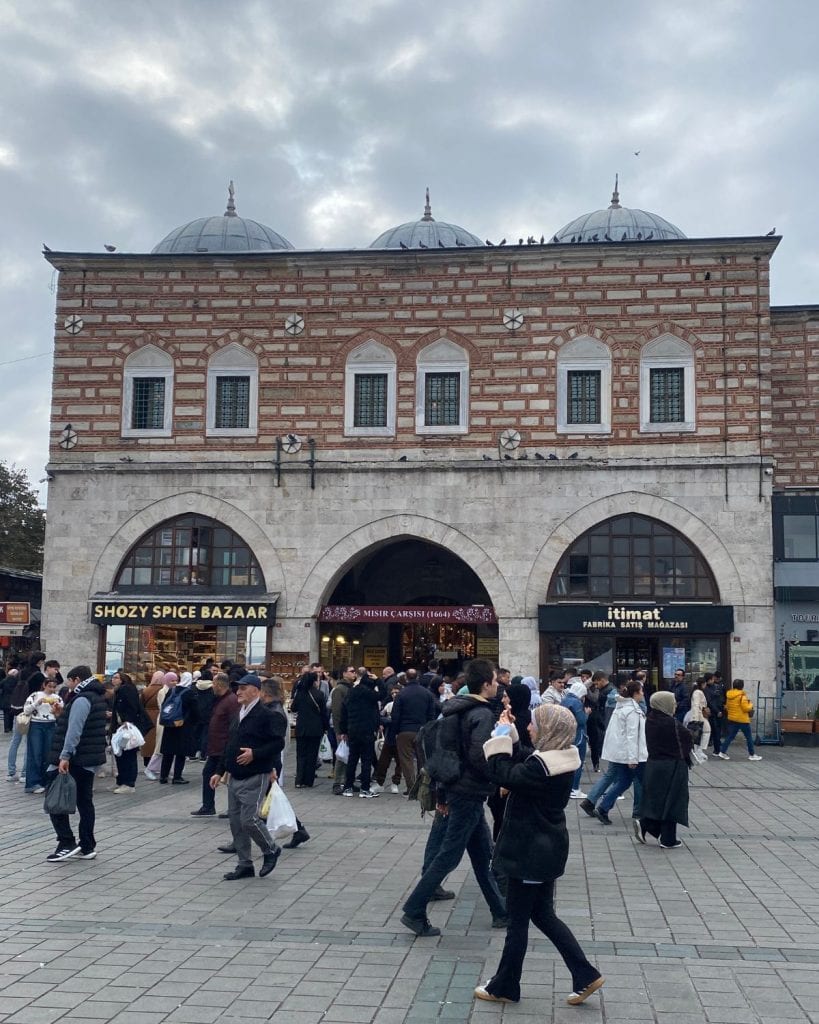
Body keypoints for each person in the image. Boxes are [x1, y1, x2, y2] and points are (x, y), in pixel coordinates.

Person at [475, 703, 604, 1007]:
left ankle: (504, 986)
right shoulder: (557, 760)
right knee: (542, 914)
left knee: (518, 922)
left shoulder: (541, 767)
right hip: (544, 848)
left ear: (549, 730)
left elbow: (501, 772)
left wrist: (502, 735)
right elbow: (524, 764)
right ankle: (584, 974)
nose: (531, 728)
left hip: (530, 851)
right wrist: (513, 735)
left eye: (534, 724)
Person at [400, 658, 507, 938]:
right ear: (486, 685)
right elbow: (478, 755)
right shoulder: (482, 714)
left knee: (483, 855)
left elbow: (450, 751)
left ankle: (500, 911)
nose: (497, 685)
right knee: (449, 856)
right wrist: (499, 773)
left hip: (458, 788)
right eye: (495, 681)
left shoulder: (457, 709)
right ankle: (414, 909)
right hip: (469, 792)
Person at [209, 673, 282, 880]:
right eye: (237, 688)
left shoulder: (267, 714)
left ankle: (271, 849)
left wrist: (255, 754)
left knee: (249, 819)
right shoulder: (238, 714)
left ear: (256, 691)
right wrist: (219, 771)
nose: (238, 692)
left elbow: (278, 743)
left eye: (243, 688)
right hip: (235, 776)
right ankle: (244, 864)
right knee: (236, 822)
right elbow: (229, 745)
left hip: (256, 774)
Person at [44, 665, 108, 862]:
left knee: (54, 800)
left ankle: (66, 842)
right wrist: (60, 714)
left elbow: (75, 730)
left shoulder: (82, 699)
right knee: (84, 802)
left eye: (70, 681)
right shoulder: (96, 696)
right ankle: (87, 845)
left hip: (75, 759)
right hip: (88, 759)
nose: (68, 685)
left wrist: (65, 756)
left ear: (77, 679)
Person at [580, 680, 647, 827]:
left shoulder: (621, 707)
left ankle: (603, 808)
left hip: (621, 752)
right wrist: (632, 758)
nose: (643, 694)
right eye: (641, 691)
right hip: (632, 754)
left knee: (623, 781)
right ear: (635, 693)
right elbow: (631, 736)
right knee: (643, 781)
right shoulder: (632, 711)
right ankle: (647, 813)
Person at [637, 691, 693, 848]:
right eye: (672, 702)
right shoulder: (670, 722)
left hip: (654, 764)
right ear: (664, 704)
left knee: (659, 799)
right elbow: (687, 737)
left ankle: (646, 824)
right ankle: (668, 838)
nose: (674, 705)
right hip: (672, 766)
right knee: (673, 801)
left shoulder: (651, 718)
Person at [191, 671, 238, 816]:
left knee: (231, 778)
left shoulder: (231, 701)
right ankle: (208, 806)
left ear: (218, 684)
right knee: (208, 774)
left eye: (214, 683)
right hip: (216, 747)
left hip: (224, 747)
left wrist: (230, 744)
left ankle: (232, 809)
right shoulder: (220, 699)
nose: (212, 686)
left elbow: (234, 724)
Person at [389, 667, 438, 794]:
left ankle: (411, 787)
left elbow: (395, 715)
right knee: (422, 760)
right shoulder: (427, 693)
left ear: (406, 678)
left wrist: (393, 733)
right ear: (417, 677)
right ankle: (422, 786)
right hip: (422, 730)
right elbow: (431, 714)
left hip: (404, 731)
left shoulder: (402, 694)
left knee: (406, 760)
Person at [340, 672, 381, 798]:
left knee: (352, 759)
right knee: (366, 760)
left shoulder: (351, 693)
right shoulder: (370, 694)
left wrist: (343, 731)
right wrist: (378, 680)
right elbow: (383, 694)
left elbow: (344, 712)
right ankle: (365, 788)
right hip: (367, 730)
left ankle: (348, 787)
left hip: (353, 730)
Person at [23, 676, 63, 793]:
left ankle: (46, 781)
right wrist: (37, 703)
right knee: (35, 753)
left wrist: (57, 708)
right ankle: (32, 783)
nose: (51, 689)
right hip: (36, 724)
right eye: (49, 686)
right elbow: (26, 710)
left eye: (54, 687)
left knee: (48, 753)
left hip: (51, 724)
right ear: (44, 685)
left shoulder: (57, 698)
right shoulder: (35, 695)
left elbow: (61, 713)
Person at [289, 671, 326, 787]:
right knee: (312, 755)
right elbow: (324, 713)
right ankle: (308, 780)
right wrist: (325, 728)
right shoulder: (319, 694)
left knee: (300, 755)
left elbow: (293, 708)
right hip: (315, 728)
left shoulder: (300, 693)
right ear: (315, 681)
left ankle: (299, 780)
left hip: (301, 728)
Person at [158, 671, 194, 784]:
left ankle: (163, 776)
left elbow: (164, 705)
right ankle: (177, 776)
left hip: (169, 725)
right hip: (182, 725)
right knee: (180, 753)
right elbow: (194, 710)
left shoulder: (171, 690)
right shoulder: (189, 692)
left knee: (168, 752)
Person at [110, 670, 143, 793]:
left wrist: (127, 720)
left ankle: (128, 783)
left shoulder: (126, 689)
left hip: (126, 727)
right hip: (120, 726)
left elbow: (132, 707)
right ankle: (121, 781)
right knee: (120, 754)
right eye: (113, 677)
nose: (113, 680)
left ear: (123, 679)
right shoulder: (119, 691)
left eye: (116, 677)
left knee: (127, 754)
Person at [717, 679, 762, 760]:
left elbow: (727, 707)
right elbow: (746, 708)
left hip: (732, 718)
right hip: (742, 719)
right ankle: (752, 754)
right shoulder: (742, 696)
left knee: (730, 736)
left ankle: (722, 752)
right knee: (749, 737)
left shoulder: (729, 695)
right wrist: (751, 704)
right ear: (742, 686)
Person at [329, 666, 355, 794]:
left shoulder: (351, 688)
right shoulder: (339, 689)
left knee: (349, 755)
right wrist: (339, 731)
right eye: (351, 671)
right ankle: (337, 782)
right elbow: (337, 711)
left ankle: (347, 780)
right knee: (341, 755)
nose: (354, 673)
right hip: (343, 728)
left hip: (351, 727)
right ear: (344, 673)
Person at [561, 681, 588, 799]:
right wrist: (586, 713)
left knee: (567, 763)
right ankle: (575, 788)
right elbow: (581, 720)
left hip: (566, 734)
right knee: (578, 762)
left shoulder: (564, 700)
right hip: (578, 735)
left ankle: (567, 788)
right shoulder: (576, 703)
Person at [140, 670, 165, 776]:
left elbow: (141, 704)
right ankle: (156, 764)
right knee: (157, 741)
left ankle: (147, 762)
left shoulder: (146, 690)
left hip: (147, 716)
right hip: (160, 716)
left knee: (147, 740)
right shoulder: (164, 690)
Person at [688, 677, 711, 763]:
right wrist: (695, 718)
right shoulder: (698, 692)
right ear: (703, 684)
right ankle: (699, 750)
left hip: (699, 715)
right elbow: (696, 705)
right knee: (706, 731)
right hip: (699, 715)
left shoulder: (697, 692)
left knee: (700, 733)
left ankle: (698, 750)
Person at [704, 672, 726, 755]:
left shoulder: (716, 687)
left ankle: (717, 748)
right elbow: (710, 702)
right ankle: (717, 750)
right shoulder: (706, 689)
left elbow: (719, 698)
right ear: (709, 680)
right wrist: (717, 711)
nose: (714, 680)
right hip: (712, 713)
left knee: (716, 731)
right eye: (712, 679)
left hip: (717, 711)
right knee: (715, 732)